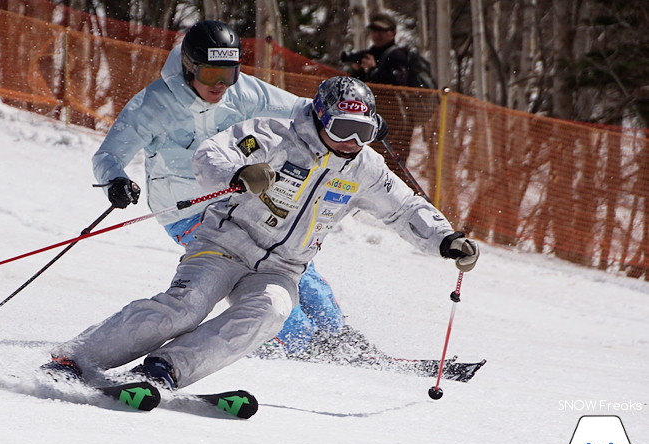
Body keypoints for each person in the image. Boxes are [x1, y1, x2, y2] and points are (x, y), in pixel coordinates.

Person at [42, 76, 479, 390]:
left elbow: (404, 208)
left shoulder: (365, 167)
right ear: (322, 118)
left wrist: (444, 239)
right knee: (187, 307)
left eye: (363, 132)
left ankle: (165, 369)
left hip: (283, 268)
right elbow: (212, 153)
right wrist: (237, 172)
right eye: (344, 129)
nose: (352, 141)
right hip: (223, 245)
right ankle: (78, 356)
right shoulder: (276, 134)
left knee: (270, 314)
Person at [90, 20, 366, 359]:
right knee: (258, 276)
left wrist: (354, 120)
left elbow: (303, 110)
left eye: (229, 73)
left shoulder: (242, 92)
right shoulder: (153, 104)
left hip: (242, 202)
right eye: (210, 75)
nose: (220, 85)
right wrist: (115, 180)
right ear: (190, 67)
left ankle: (338, 336)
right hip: (188, 210)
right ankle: (303, 344)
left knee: (293, 268)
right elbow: (108, 155)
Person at [346, 13, 410, 86]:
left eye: (382, 30)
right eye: (374, 30)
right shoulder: (371, 54)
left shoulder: (398, 55)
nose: (377, 34)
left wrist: (373, 70)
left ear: (393, 33)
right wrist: (357, 71)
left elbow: (397, 83)